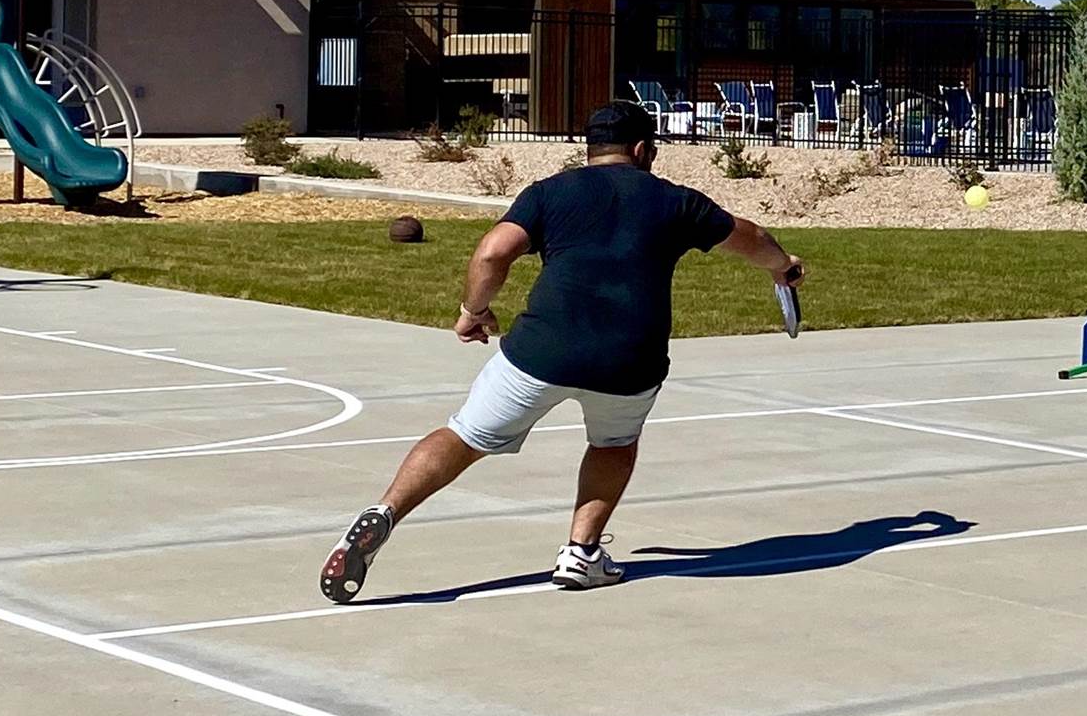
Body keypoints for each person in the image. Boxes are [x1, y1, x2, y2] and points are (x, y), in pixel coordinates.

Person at [319, 99, 803, 602]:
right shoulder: (676, 201)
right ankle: (581, 553)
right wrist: (782, 266)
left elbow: (492, 252)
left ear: (590, 149)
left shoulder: (549, 192)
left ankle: (386, 511)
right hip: (629, 362)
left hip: (541, 351)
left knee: (464, 436)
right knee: (614, 444)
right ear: (642, 150)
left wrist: (473, 310)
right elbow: (750, 237)